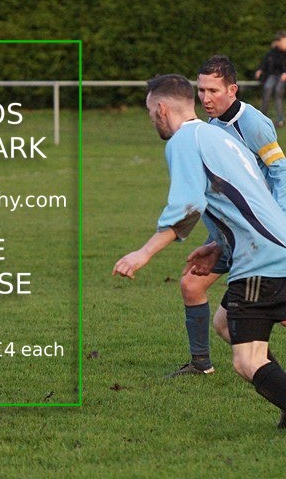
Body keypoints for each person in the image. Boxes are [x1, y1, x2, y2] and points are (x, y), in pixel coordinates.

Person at [113, 74, 286, 428]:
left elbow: (188, 206)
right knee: (225, 323)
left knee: (246, 361)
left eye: (149, 111)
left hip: (260, 261)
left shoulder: (182, 141)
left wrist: (142, 254)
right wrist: (215, 246)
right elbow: (241, 201)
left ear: (161, 108)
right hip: (274, 248)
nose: (150, 118)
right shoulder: (216, 135)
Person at [171, 55, 286, 377]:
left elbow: (280, 170)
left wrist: (278, 221)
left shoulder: (253, 123)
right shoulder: (210, 129)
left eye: (214, 91)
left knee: (255, 313)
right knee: (193, 286)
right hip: (229, 236)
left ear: (232, 89)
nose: (206, 98)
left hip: (262, 237)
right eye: (201, 90)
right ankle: (201, 363)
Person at [255, 32, 286, 128]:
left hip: (282, 75)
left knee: (278, 93)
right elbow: (265, 61)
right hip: (273, 75)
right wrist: (260, 70)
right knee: (267, 89)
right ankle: (263, 117)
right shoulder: (273, 51)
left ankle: (280, 119)